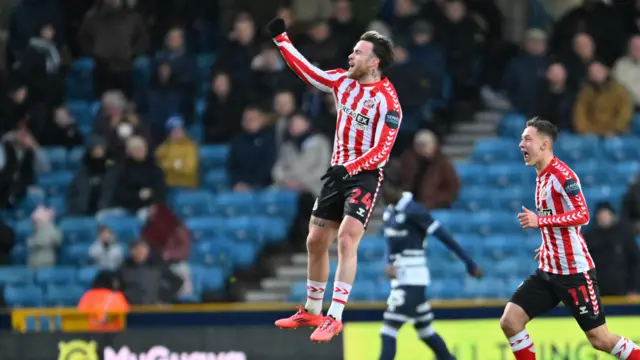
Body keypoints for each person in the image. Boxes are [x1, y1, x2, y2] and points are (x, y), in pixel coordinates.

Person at [268, 17, 403, 342]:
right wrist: (281, 40)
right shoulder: (343, 82)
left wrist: (351, 167)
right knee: (315, 241)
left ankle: (335, 315)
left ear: (375, 62)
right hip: (337, 174)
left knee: (346, 238)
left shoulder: (388, 102)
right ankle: (312, 309)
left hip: (364, 176)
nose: (350, 57)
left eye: (357, 52)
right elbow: (308, 72)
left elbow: (382, 152)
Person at [501, 118, 640, 360]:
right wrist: (547, 245)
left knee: (601, 340)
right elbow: (558, 217)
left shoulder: (562, 175)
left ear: (544, 144)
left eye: (527, 139)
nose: (521, 144)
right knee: (510, 321)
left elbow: (583, 214)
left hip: (574, 272)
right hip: (549, 269)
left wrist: (539, 222)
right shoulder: (541, 176)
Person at [378, 168, 482, 360]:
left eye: (380, 190)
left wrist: (469, 262)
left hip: (413, 280)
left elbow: (443, 236)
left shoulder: (414, 210)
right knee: (426, 331)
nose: (378, 195)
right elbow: (389, 243)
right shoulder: (389, 212)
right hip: (400, 280)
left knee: (388, 329)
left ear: (394, 188)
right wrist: (387, 263)